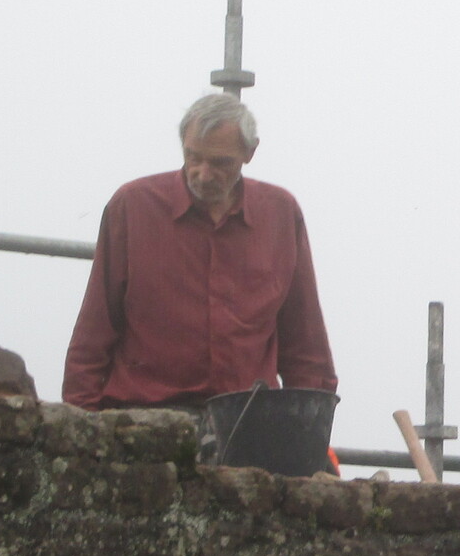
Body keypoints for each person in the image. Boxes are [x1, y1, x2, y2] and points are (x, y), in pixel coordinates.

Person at [63, 94, 335, 410]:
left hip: (245, 418)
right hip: (145, 415)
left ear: (249, 153)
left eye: (220, 163)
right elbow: (95, 328)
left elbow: (305, 340)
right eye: (193, 157)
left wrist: (310, 424)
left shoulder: (280, 214)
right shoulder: (133, 207)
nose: (203, 174)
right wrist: (80, 418)